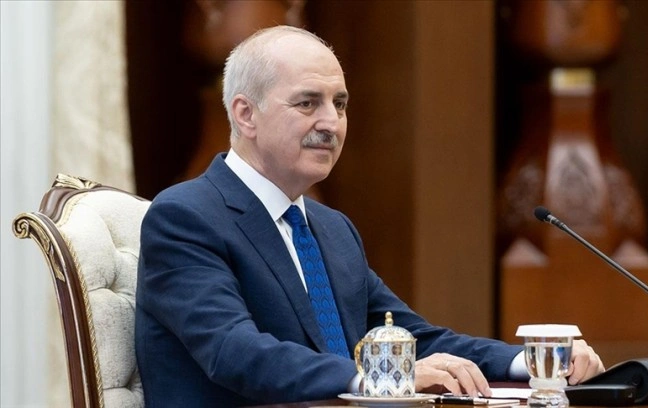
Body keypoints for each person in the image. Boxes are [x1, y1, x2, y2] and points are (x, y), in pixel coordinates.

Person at [135, 25, 605, 408]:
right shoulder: (186, 217)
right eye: (307, 102)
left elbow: (413, 338)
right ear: (245, 115)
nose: (331, 123)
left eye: (339, 104)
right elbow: (234, 352)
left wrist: (537, 361)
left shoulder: (332, 228)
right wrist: (387, 377)